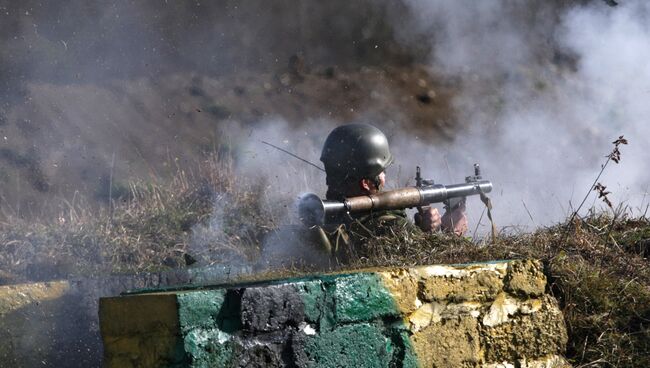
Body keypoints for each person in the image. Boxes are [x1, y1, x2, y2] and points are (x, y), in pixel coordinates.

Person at [316, 123, 467, 259]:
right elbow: (438, 262)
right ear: (367, 183)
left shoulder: (321, 220)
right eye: (382, 171)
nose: (385, 176)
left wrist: (422, 231)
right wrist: (453, 234)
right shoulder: (390, 227)